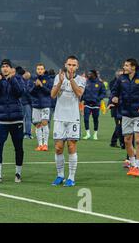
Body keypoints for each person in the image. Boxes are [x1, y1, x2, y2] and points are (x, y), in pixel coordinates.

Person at [110, 59, 139, 177]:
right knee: (127, 140)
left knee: (138, 140)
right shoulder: (121, 79)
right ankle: (132, 163)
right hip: (125, 113)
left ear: (133, 67)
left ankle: (137, 166)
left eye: (126, 65)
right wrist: (114, 98)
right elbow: (114, 90)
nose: (124, 67)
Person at [50, 55, 86, 187]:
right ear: (65, 65)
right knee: (58, 148)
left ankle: (71, 177)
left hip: (73, 118)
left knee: (71, 147)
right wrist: (60, 82)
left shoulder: (81, 79)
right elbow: (53, 95)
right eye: (69, 64)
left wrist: (71, 80)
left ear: (77, 67)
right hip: (59, 117)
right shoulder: (57, 77)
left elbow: (79, 93)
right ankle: (60, 175)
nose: (71, 67)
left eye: (74, 65)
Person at [0, 60, 25, 184]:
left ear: (11, 68)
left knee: (18, 147)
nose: (5, 68)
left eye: (7, 66)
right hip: (1, 120)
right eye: (3, 67)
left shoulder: (17, 79)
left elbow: (20, 92)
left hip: (17, 120)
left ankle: (18, 174)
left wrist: (12, 79)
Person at [29, 63, 53, 151]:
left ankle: (45, 145)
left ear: (44, 70)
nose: (40, 70)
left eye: (41, 69)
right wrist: (36, 86)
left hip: (45, 104)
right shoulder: (32, 79)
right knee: (38, 125)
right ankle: (40, 145)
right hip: (36, 105)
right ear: (36, 70)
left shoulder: (48, 79)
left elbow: (50, 92)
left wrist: (41, 86)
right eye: (38, 69)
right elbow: (30, 92)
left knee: (44, 123)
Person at [81, 70, 106, 140]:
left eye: (90, 74)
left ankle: (95, 134)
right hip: (87, 104)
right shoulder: (86, 82)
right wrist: (82, 99)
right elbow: (83, 92)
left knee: (95, 119)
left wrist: (98, 98)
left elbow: (103, 93)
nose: (88, 75)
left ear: (94, 74)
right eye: (88, 74)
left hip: (96, 104)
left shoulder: (100, 83)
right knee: (86, 119)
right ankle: (87, 134)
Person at [109, 69, 125, 148]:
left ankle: (113, 142)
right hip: (115, 107)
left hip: (123, 107)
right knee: (119, 125)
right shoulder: (113, 83)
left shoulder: (125, 82)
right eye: (120, 74)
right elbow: (113, 94)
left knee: (120, 126)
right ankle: (122, 143)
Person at [19, 69, 33, 140]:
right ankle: (27, 134)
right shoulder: (27, 82)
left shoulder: (19, 80)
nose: (28, 77)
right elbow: (28, 93)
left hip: (20, 101)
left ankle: (20, 133)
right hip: (26, 102)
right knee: (28, 119)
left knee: (21, 119)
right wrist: (31, 101)